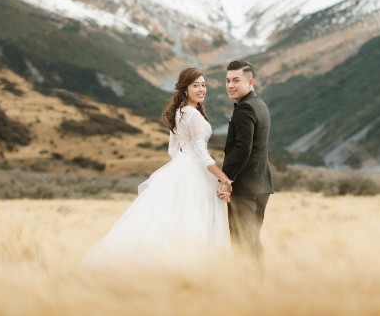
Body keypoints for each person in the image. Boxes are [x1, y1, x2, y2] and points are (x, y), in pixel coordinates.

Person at [82, 68, 232, 269]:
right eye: (195, 85)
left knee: (171, 220)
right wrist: (223, 178)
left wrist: (181, 167)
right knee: (193, 220)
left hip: (181, 167)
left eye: (203, 85)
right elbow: (201, 154)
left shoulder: (179, 112)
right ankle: (190, 267)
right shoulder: (194, 115)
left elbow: (172, 150)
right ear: (185, 89)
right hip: (193, 171)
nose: (201, 89)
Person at [221, 60, 274, 268]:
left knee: (242, 241)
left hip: (245, 187)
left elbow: (243, 149)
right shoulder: (259, 104)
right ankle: (258, 284)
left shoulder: (244, 110)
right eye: (227, 80)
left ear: (250, 81)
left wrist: (226, 179)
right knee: (252, 240)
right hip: (262, 184)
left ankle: (250, 286)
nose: (230, 85)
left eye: (236, 80)